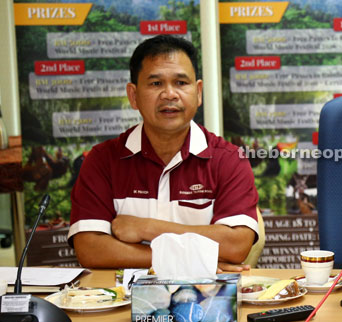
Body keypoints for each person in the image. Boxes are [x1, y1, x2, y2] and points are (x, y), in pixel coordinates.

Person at [68, 35, 259, 271]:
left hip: (206, 300)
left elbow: (235, 245)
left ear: (198, 93)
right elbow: (90, 249)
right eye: (156, 83)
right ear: (133, 95)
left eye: (181, 83)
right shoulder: (103, 160)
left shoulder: (228, 159)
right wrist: (186, 259)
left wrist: (146, 227)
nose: (170, 94)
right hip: (124, 302)